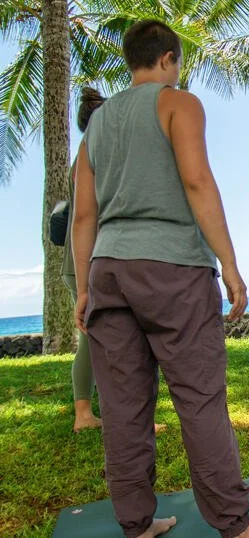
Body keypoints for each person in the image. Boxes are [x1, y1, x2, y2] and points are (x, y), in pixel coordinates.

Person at [71, 20, 249, 538]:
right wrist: (231, 265)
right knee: (199, 398)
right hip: (172, 266)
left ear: (132, 60)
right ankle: (236, 526)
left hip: (108, 269)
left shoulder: (97, 125)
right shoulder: (179, 103)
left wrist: (85, 288)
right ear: (169, 58)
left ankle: (137, 523)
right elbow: (196, 180)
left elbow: (84, 217)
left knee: (124, 408)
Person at [63, 87, 105, 432]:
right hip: (86, 261)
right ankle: (83, 415)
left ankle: (97, 413)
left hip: (82, 261)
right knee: (97, 340)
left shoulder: (84, 154)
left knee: (98, 340)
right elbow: (86, 219)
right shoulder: (91, 154)